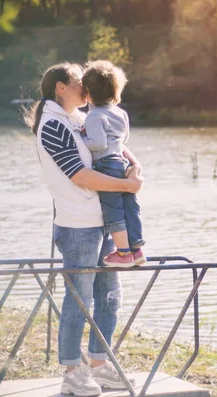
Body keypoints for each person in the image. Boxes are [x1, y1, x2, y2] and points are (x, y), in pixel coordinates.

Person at [25, 62, 142, 396]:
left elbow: (114, 144)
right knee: (80, 301)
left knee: (110, 298)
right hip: (78, 227)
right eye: (79, 82)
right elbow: (79, 175)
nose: (85, 88)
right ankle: (72, 373)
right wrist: (125, 188)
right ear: (61, 87)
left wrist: (135, 167)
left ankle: (101, 366)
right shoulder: (51, 125)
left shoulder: (77, 118)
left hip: (102, 222)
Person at [80, 60, 146, 267]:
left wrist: (80, 139)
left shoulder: (93, 116)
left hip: (106, 165)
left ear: (88, 92)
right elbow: (123, 140)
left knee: (113, 208)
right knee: (130, 206)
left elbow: (98, 144)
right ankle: (137, 249)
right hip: (121, 162)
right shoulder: (120, 113)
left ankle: (123, 254)